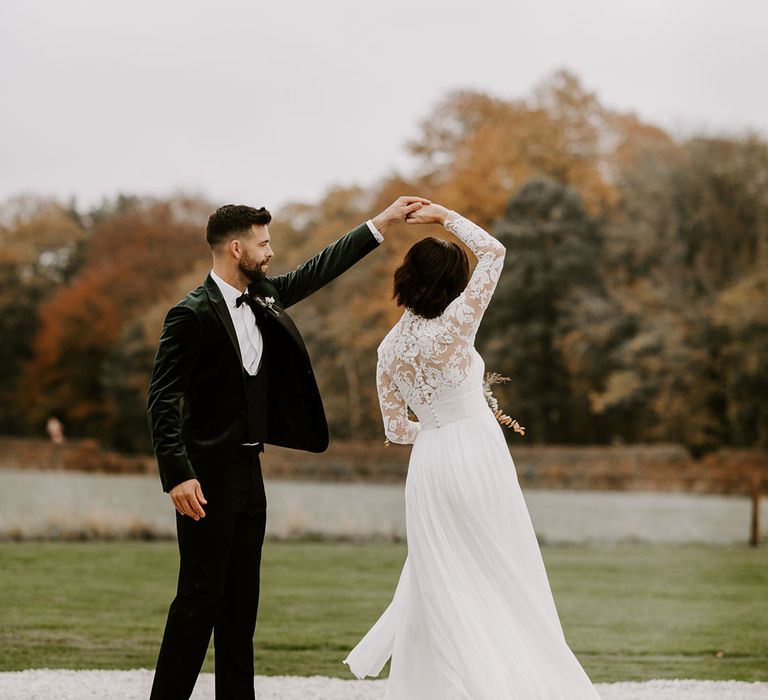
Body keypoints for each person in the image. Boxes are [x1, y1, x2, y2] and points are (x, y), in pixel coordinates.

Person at [146, 195, 429, 700]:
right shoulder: (189, 314)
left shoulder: (264, 297)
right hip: (206, 479)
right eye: (263, 243)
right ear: (236, 248)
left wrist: (380, 224)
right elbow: (163, 399)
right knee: (198, 598)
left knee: (241, 605)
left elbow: (319, 268)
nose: (271, 252)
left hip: (251, 471)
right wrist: (178, 474)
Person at [343, 203, 601, 699]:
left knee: (439, 581)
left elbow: (397, 429)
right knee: (502, 569)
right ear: (454, 285)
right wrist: (443, 215)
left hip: (430, 467)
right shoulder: (457, 325)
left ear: (405, 278)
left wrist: (438, 432)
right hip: (476, 456)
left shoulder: (387, 350)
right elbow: (494, 251)